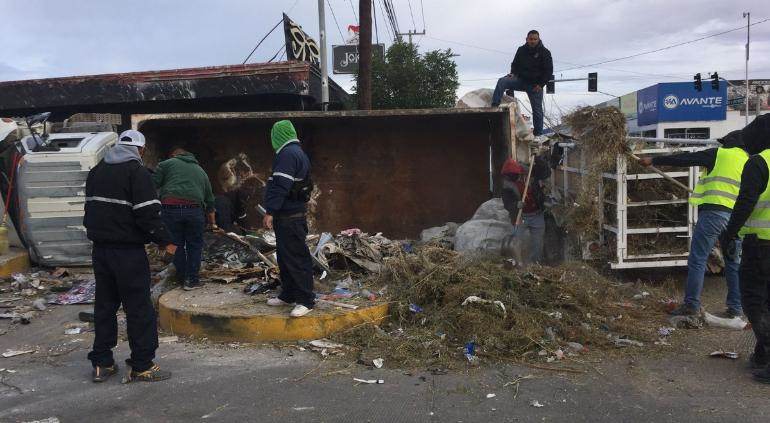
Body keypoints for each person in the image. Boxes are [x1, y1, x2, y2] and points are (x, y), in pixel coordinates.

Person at [84, 130, 175, 383]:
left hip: (100, 251)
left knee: (105, 306)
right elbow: (148, 214)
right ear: (140, 150)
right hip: (127, 252)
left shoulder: (96, 171)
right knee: (138, 308)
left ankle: (102, 363)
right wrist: (165, 240)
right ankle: (142, 365)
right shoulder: (137, 173)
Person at [640, 131, 749, 318]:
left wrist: (654, 160)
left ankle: (691, 305)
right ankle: (736, 308)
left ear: (727, 143)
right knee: (733, 262)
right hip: (736, 218)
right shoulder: (747, 160)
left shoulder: (718, 154)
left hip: (714, 214)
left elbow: (685, 159)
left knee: (698, 259)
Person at [720, 114, 770, 384]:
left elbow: (745, 202)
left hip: (761, 244)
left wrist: (729, 234)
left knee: (753, 301)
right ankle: (762, 355)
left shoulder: (760, 162)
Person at [262, 120, 315, 318]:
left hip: (290, 216)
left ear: (278, 135)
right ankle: (289, 294)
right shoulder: (295, 152)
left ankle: (306, 300)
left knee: (296, 258)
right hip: (289, 216)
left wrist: (270, 211)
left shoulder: (287, 154)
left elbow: (280, 185)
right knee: (285, 258)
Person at [153, 147, 216, 290]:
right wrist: (212, 223)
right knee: (195, 245)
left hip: (171, 209)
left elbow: (152, 185)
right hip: (194, 211)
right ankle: (192, 280)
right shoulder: (201, 171)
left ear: (174, 155)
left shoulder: (166, 164)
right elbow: (210, 200)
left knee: (176, 244)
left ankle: (181, 278)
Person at [491, 30, 553, 137]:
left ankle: (538, 134)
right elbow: (515, 64)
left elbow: (548, 71)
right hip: (520, 80)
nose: (532, 41)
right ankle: (494, 106)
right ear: (527, 39)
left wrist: (541, 84)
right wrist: (513, 73)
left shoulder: (545, 52)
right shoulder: (521, 50)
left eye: (535, 39)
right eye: (531, 39)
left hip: (535, 85)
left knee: (537, 110)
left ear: (538, 39)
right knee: (502, 81)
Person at [501, 154, 550, 264]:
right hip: (520, 217)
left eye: (511, 176)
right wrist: (516, 205)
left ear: (517, 172)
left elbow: (546, 173)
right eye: (507, 176)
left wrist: (539, 160)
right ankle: (516, 263)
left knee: (537, 243)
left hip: (536, 214)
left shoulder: (530, 172)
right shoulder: (507, 185)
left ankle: (535, 264)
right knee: (516, 241)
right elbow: (507, 203)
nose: (509, 178)